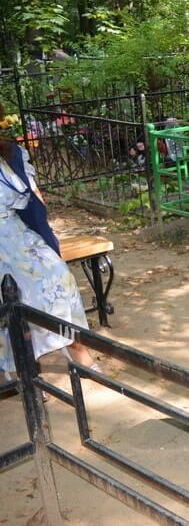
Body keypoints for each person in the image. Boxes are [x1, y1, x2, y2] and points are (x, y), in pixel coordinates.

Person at [0, 106, 98, 377]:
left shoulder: (11, 154)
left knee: (59, 281)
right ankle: (18, 369)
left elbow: (34, 200)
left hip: (15, 234)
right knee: (10, 301)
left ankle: (76, 347)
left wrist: (48, 240)